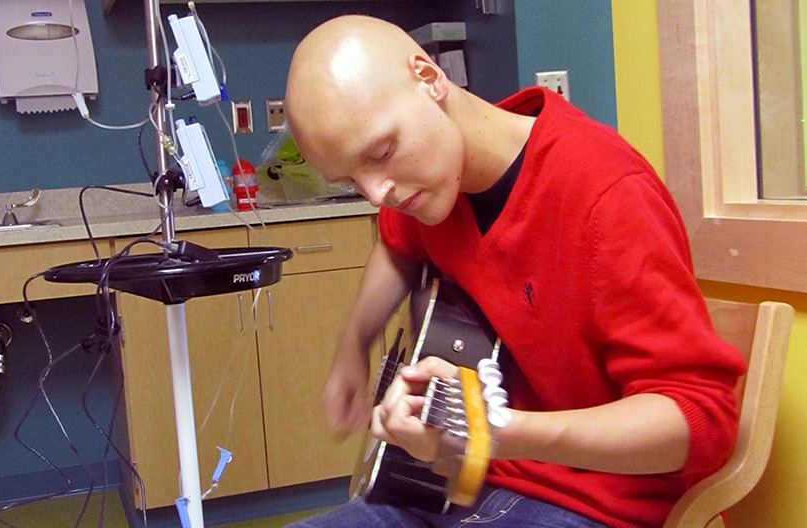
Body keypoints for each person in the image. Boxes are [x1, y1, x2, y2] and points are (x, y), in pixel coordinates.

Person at [282, 14, 746, 528]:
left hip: (592, 506)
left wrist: (493, 428)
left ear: (429, 78)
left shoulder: (606, 194)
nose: (377, 193)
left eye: (382, 152)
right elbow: (397, 243)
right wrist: (353, 344)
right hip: (450, 490)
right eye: (351, 180)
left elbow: (701, 421)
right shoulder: (432, 186)